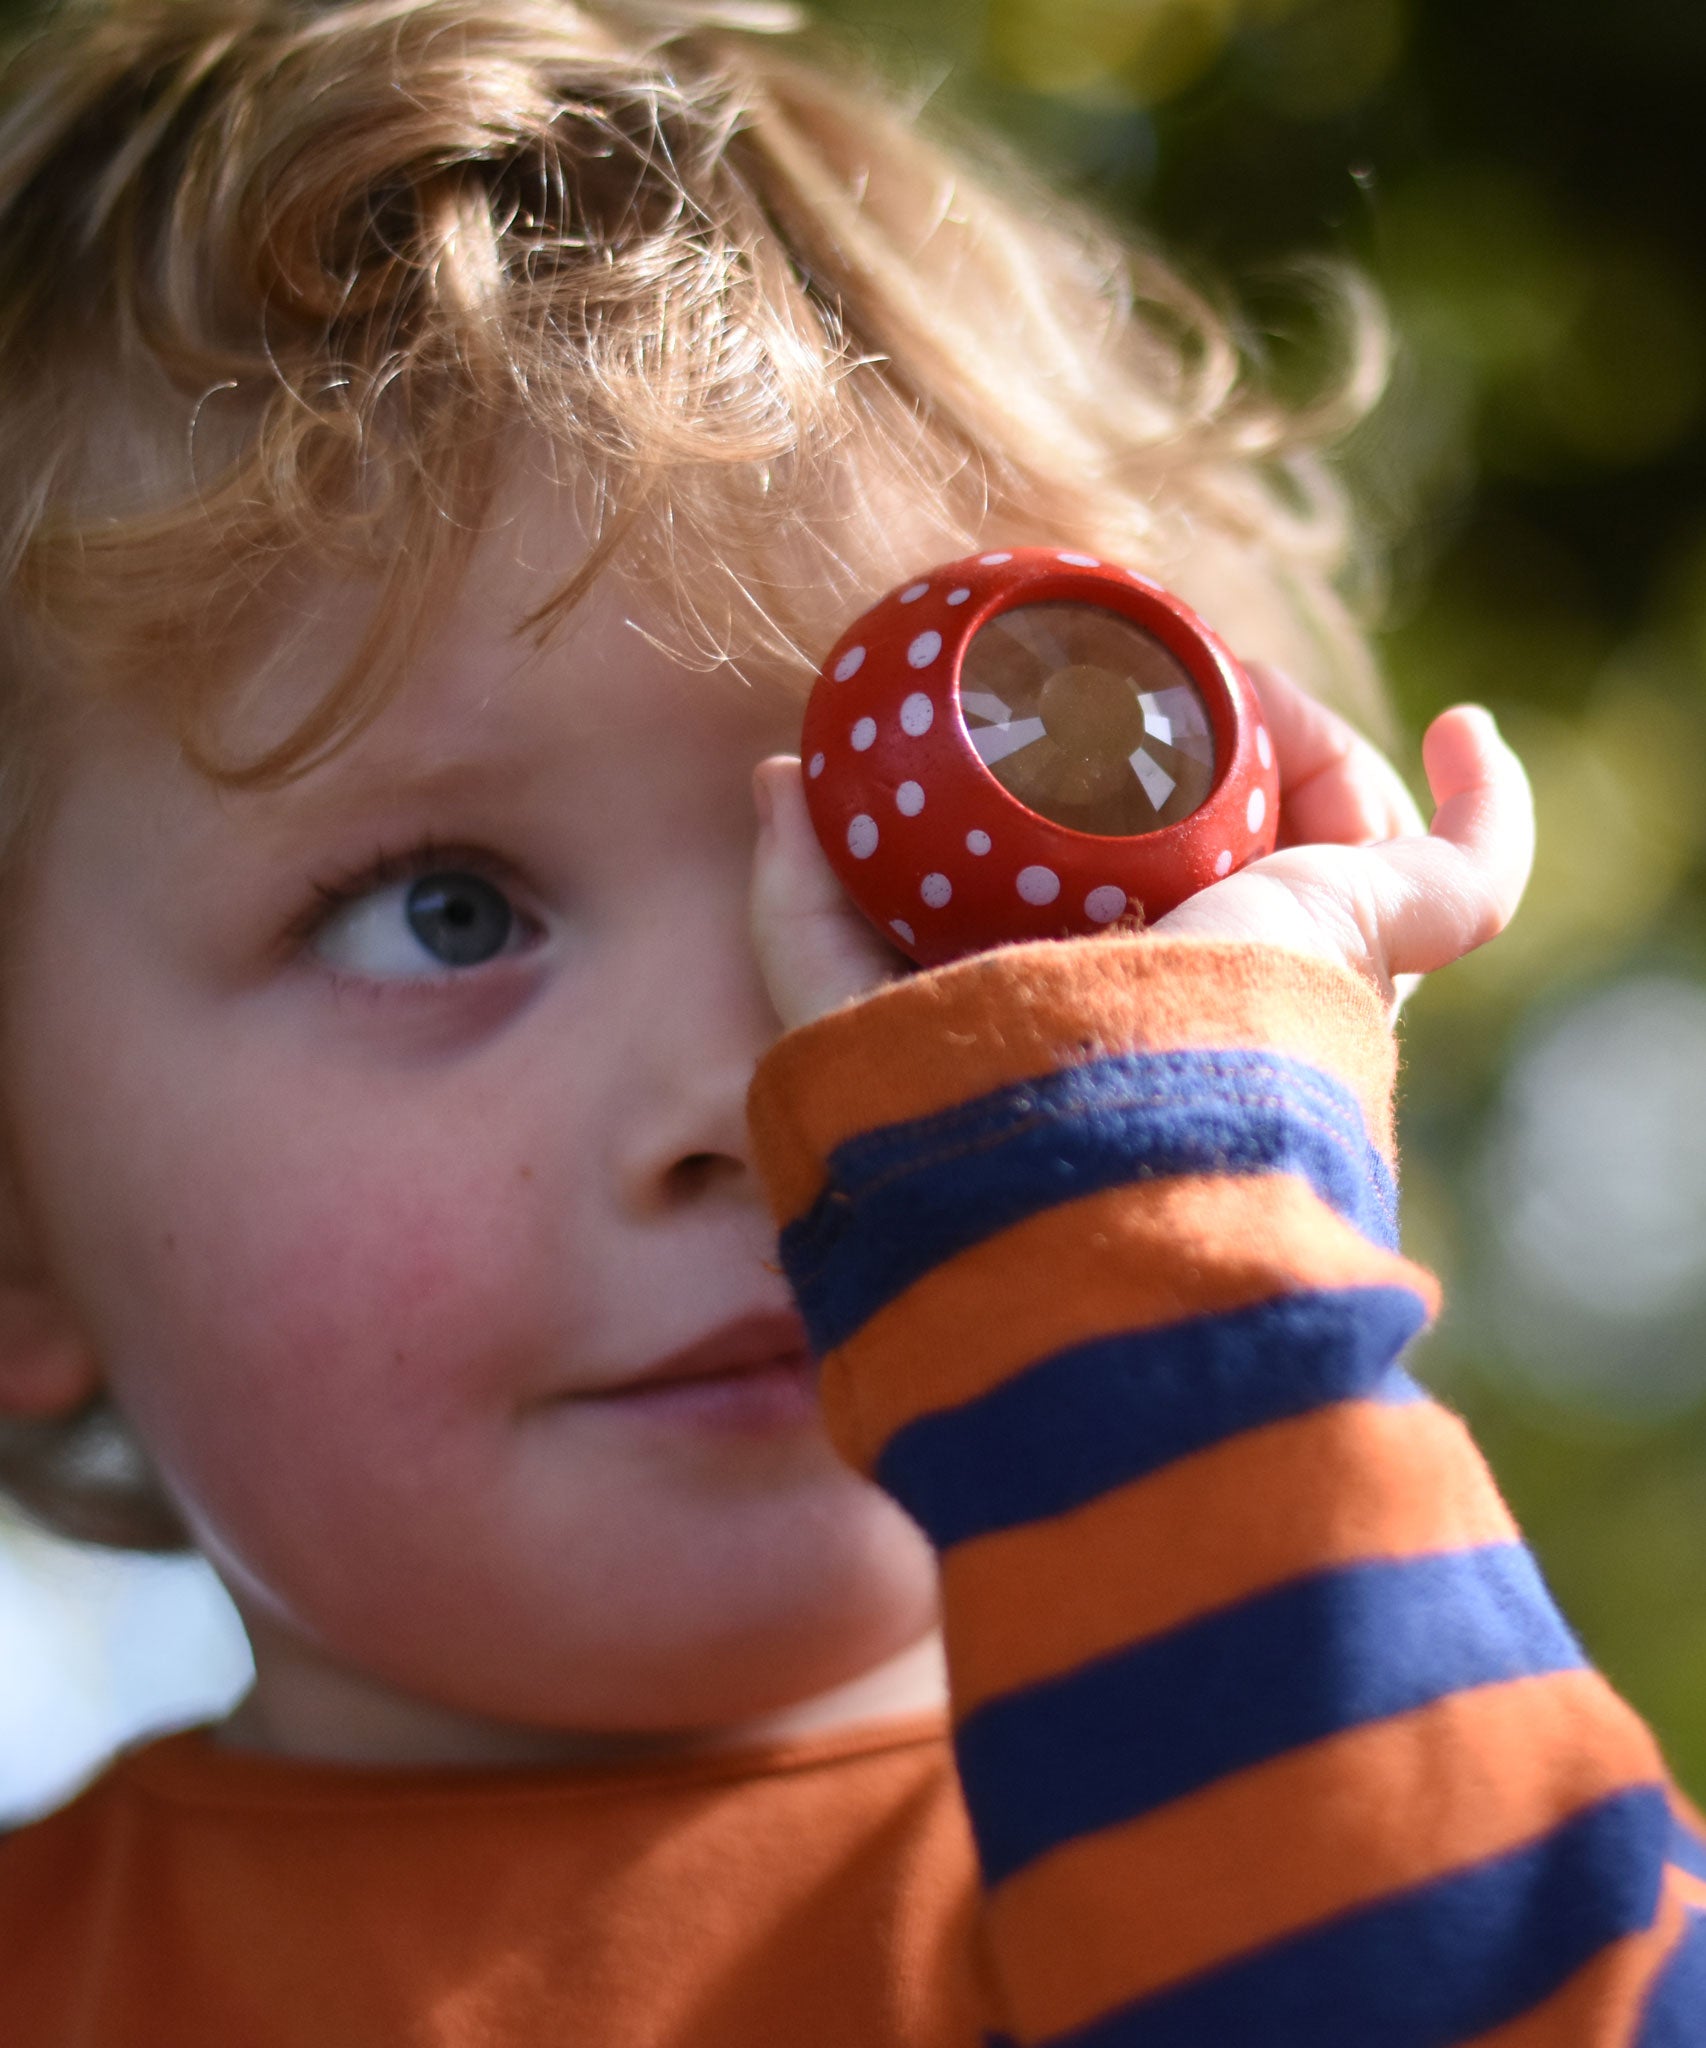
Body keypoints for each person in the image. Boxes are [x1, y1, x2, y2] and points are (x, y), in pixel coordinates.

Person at [0, 0, 1700, 2039]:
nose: (769, 1085)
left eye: (915, 889)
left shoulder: (1308, 1868)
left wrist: (1133, 1235)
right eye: (442, 913)